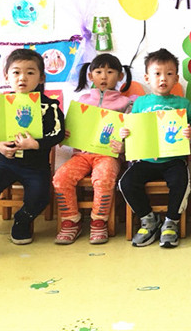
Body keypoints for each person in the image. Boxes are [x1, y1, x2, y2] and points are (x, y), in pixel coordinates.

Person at [0, 49, 65, 264]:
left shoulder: (50, 106)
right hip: (6, 163)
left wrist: (35, 144)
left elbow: (57, 133)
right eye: (16, 72)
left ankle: (22, 220)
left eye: (30, 72)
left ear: (41, 78)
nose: (22, 78)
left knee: (40, 196)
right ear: (6, 76)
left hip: (36, 166)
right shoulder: (0, 104)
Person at [118, 48, 191, 248]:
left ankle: (171, 222)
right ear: (147, 78)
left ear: (176, 78)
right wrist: (125, 133)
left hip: (173, 160)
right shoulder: (140, 103)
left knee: (181, 181)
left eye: (169, 74)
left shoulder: (183, 103)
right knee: (126, 182)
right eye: (157, 74)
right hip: (146, 159)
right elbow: (131, 128)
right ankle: (148, 219)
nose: (163, 78)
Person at [52, 53, 132, 245]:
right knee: (60, 177)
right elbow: (70, 129)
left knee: (103, 178)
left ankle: (98, 222)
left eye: (110, 72)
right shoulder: (82, 101)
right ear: (90, 76)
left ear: (120, 76)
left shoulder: (127, 103)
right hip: (82, 155)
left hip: (108, 156)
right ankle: (71, 221)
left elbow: (132, 132)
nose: (104, 76)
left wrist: (124, 147)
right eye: (98, 72)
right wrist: (65, 135)